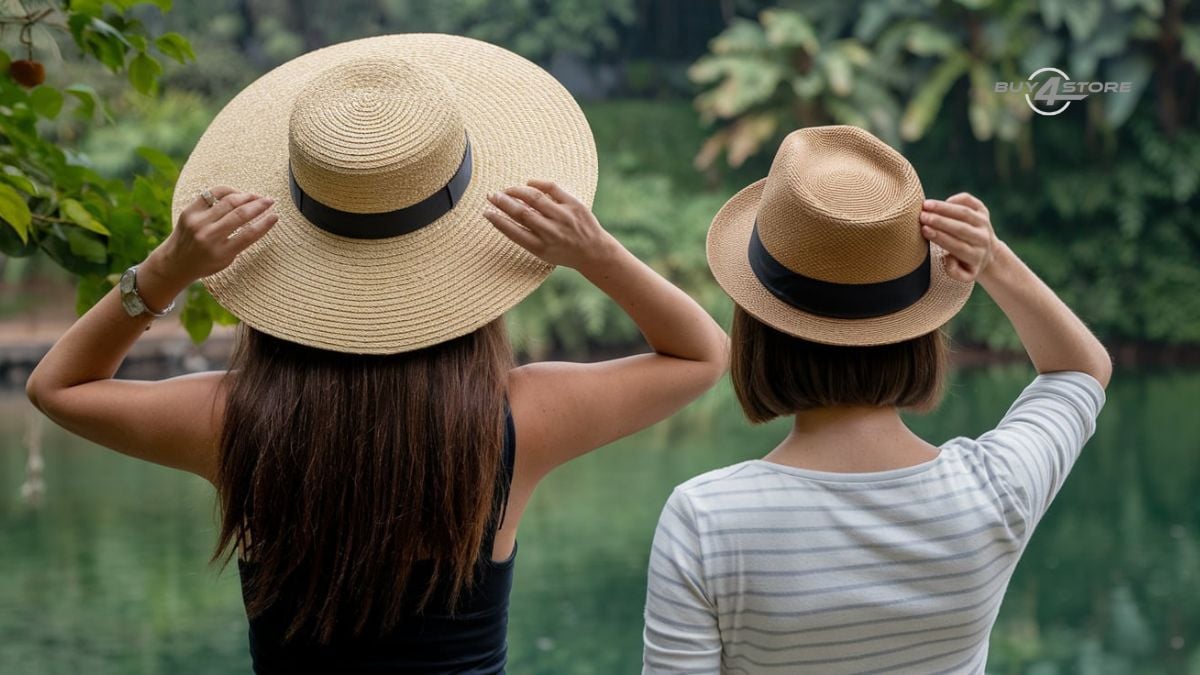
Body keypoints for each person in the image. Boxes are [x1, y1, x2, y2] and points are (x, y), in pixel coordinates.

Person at [25, 34, 727, 673]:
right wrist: (595, 253)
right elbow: (701, 355)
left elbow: (58, 387)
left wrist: (166, 269)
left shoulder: (232, 423)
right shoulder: (517, 422)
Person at [642, 125, 1111, 674]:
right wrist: (993, 260)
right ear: (921, 331)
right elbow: (1081, 370)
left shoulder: (706, 519)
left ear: (757, 331)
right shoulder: (993, 490)